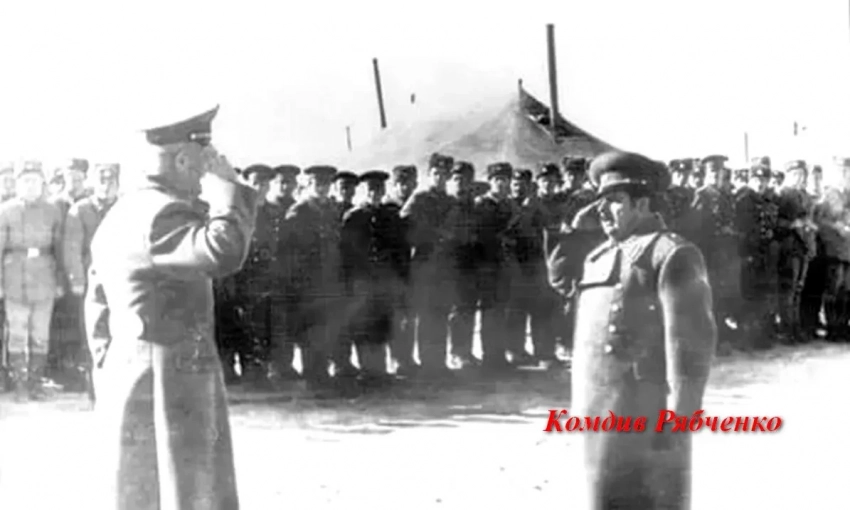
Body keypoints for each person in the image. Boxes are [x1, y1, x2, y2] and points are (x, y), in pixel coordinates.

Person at [85, 105, 254, 509]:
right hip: (173, 375)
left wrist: (113, 361)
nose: (205, 172)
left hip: (132, 369)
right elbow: (223, 251)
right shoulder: (164, 212)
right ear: (181, 160)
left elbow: (97, 301)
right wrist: (227, 191)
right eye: (203, 163)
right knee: (188, 488)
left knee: (140, 487)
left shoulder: (123, 210)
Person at [547, 150, 716, 508]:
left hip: (644, 415)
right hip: (597, 413)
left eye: (614, 201)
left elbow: (690, 346)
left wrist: (680, 419)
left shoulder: (671, 254)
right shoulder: (599, 256)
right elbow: (560, 279)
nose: (601, 211)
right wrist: (571, 230)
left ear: (642, 203)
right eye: (599, 201)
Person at [0, 160, 66, 401]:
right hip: (14, 278)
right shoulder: (6, 211)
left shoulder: (53, 211)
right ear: (17, 184)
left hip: (44, 278)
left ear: (43, 184)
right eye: (25, 181)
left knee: (40, 333)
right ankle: (19, 385)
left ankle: (36, 384)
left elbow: (59, 249)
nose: (30, 186)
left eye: (35, 181)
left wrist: (60, 281)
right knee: (17, 333)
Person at [340, 171, 406, 385]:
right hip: (362, 282)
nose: (375, 194)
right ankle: (367, 370)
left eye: (378, 190)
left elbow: (399, 250)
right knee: (363, 326)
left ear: (384, 191)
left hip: (385, 282)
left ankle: (380, 370)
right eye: (371, 190)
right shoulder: (354, 217)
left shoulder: (391, 216)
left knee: (382, 325)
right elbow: (346, 254)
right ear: (365, 192)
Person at [62, 162, 121, 393]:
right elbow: (72, 249)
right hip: (91, 283)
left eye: (111, 181)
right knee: (91, 332)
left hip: (120, 282)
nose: (106, 186)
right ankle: (92, 386)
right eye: (101, 181)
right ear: (92, 183)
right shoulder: (80, 210)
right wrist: (77, 279)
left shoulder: (124, 208)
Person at [400, 153, 456, 377]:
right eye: (435, 173)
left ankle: (439, 362)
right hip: (425, 264)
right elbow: (405, 223)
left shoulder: (451, 201)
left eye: (444, 174)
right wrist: (431, 235)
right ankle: (427, 364)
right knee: (426, 314)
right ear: (429, 174)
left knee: (442, 313)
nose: (439, 178)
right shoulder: (420, 198)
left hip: (445, 265)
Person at [384, 165, 417, 374]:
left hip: (413, 269)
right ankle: (396, 359)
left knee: (410, 316)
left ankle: (408, 357)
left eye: (409, 183)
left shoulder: (417, 205)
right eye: (400, 183)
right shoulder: (387, 208)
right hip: (394, 270)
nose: (404, 187)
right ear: (394, 185)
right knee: (395, 317)